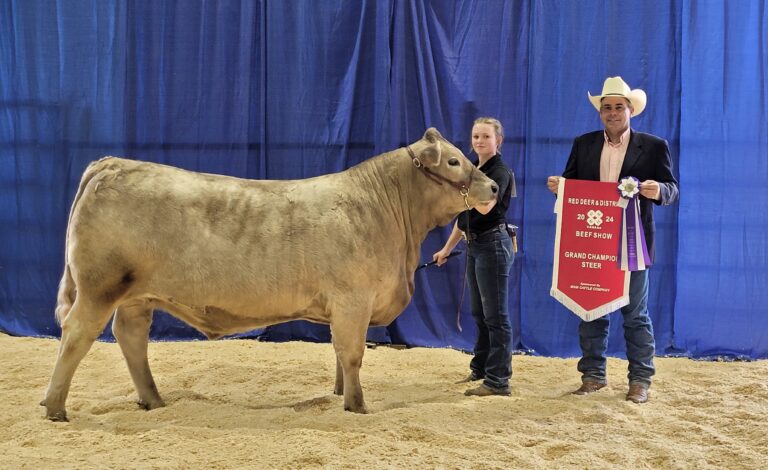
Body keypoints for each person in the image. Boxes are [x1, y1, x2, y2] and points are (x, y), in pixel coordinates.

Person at [546, 76, 679, 404]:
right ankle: (593, 376)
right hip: (592, 242)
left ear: (631, 110)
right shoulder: (584, 143)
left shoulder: (654, 146)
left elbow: (672, 189)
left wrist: (658, 190)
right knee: (590, 310)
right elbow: (573, 184)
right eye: (607, 107)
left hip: (633, 245)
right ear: (600, 112)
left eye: (619, 106)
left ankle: (640, 379)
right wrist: (561, 187)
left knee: (635, 313)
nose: (613, 112)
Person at [433, 117, 516, 397]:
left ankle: (498, 380)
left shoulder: (499, 171)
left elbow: (485, 207)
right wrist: (446, 249)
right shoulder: (474, 170)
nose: (479, 141)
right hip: (476, 244)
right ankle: (481, 367)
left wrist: (460, 191)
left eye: (486, 137)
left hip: (493, 245)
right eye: (476, 136)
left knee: (496, 316)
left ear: (498, 141)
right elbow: (464, 217)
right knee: (480, 314)